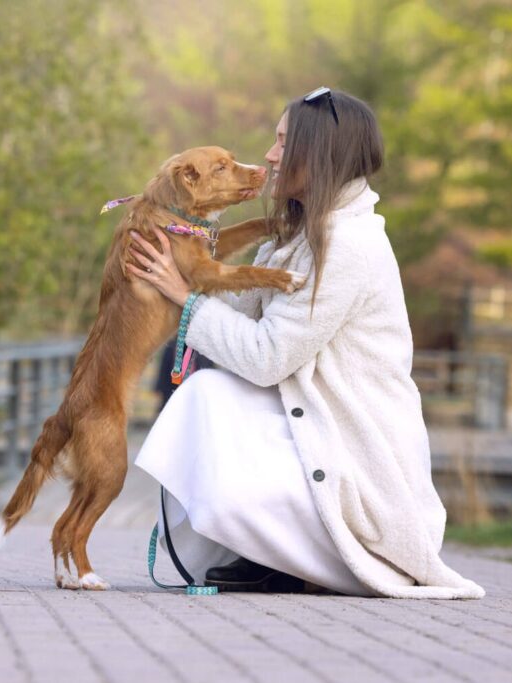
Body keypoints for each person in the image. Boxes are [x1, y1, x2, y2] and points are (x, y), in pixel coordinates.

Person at [125, 88, 485, 599]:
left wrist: (185, 298)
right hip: (314, 430)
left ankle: (304, 554)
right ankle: (270, 554)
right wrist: (184, 261)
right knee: (209, 392)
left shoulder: (349, 247)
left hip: (358, 465)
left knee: (211, 398)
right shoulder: (296, 237)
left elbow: (265, 358)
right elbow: (237, 318)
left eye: (282, 143)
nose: (270, 156)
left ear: (318, 156)